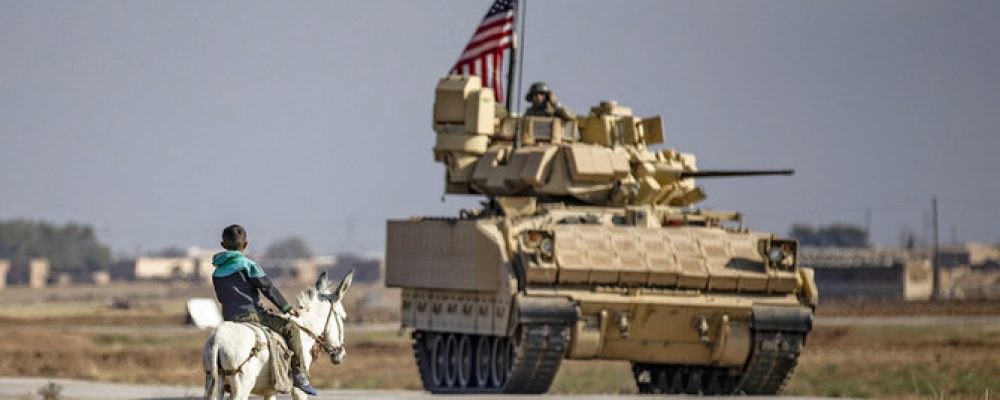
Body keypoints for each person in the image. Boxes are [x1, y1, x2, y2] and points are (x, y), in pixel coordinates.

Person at [211, 224, 318, 396]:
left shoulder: (216, 272)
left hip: (229, 318)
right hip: (252, 315)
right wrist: (287, 308)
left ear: (223, 245)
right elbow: (268, 288)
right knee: (291, 329)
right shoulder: (248, 265)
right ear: (245, 245)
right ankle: (299, 375)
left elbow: (222, 298)